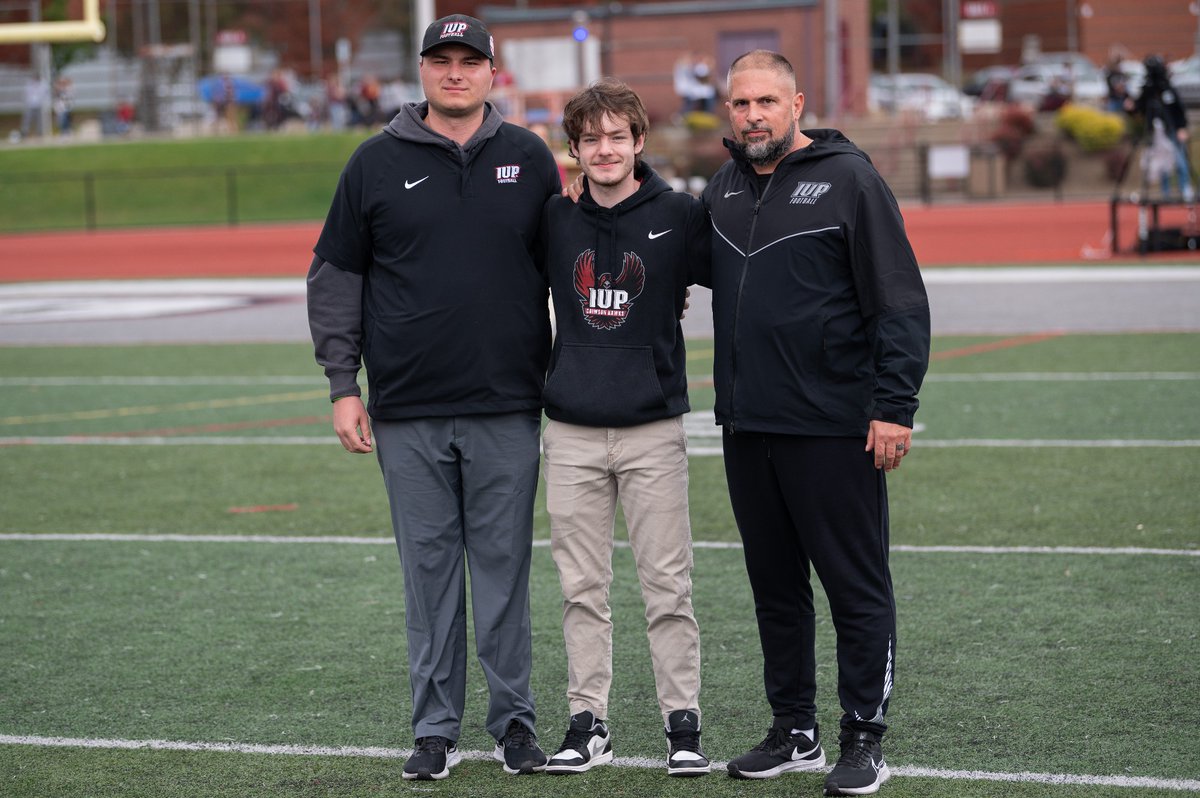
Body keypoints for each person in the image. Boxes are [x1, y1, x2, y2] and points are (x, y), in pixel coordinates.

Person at [306, 13, 563, 782]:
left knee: (504, 571)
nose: (456, 72)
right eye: (441, 60)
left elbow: (570, 264)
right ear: (422, 71)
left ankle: (514, 724)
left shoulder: (529, 157)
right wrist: (340, 386)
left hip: (508, 404)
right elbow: (335, 277)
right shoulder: (374, 163)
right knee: (428, 577)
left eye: (469, 61)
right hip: (408, 407)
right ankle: (435, 729)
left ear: (493, 73)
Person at [696, 50, 929, 795]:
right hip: (747, 426)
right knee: (775, 588)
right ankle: (793, 729)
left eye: (767, 100)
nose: (753, 115)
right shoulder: (723, 189)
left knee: (855, 586)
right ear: (726, 111)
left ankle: (865, 736)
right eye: (740, 103)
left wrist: (894, 407)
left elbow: (898, 300)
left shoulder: (850, 180)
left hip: (832, 427)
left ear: (797, 103)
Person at [539, 78, 711, 777]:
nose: (604, 149)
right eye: (590, 139)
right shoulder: (553, 220)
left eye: (617, 137)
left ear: (639, 143)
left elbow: (722, 290)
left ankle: (682, 723)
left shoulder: (679, 213)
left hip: (651, 427)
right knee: (582, 587)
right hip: (573, 430)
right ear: (574, 148)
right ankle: (589, 721)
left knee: (668, 586)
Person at [1127, 55, 1194, 201]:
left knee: (1180, 160)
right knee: (1163, 163)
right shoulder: (1148, 90)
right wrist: (1131, 108)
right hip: (1155, 131)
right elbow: (1139, 107)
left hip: (1172, 130)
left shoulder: (1168, 88)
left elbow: (1179, 110)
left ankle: (1186, 189)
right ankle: (1166, 193)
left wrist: (1181, 128)